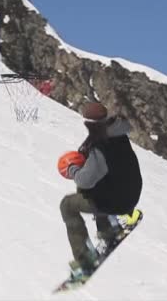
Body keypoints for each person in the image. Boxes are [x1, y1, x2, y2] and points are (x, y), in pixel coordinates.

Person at [60, 102, 143, 279]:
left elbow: (86, 180)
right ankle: (112, 225)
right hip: (132, 195)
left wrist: (73, 169)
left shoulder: (99, 146)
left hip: (117, 202)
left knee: (68, 204)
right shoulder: (118, 133)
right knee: (99, 182)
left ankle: (84, 259)